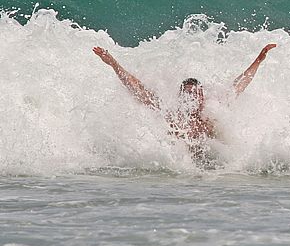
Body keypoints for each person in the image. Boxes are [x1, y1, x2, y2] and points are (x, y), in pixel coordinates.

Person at [92, 43, 277, 161]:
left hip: (216, 168)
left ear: (202, 96)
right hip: (183, 171)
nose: (190, 98)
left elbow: (239, 85)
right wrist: (113, 64)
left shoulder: (212, 112)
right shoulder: (172, 116)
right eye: (186, 94)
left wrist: (258, 60)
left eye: (194, 94)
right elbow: (138, 89)